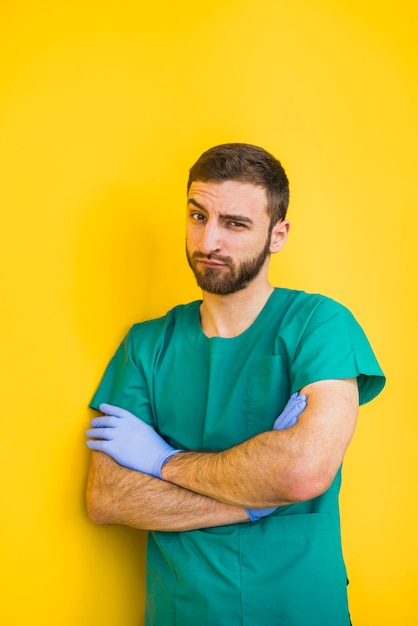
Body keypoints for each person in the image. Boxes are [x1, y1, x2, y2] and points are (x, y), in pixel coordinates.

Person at [85, 143, 385, 626]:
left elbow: (303, 473)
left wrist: (162, 461)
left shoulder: (319, 325)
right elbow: (109, 498)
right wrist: (255, 504)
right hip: (185, 612)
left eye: (236, 224)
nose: (209, 241)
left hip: (300, 607)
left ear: (278, 234)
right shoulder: (147, 344)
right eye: (198, 215)